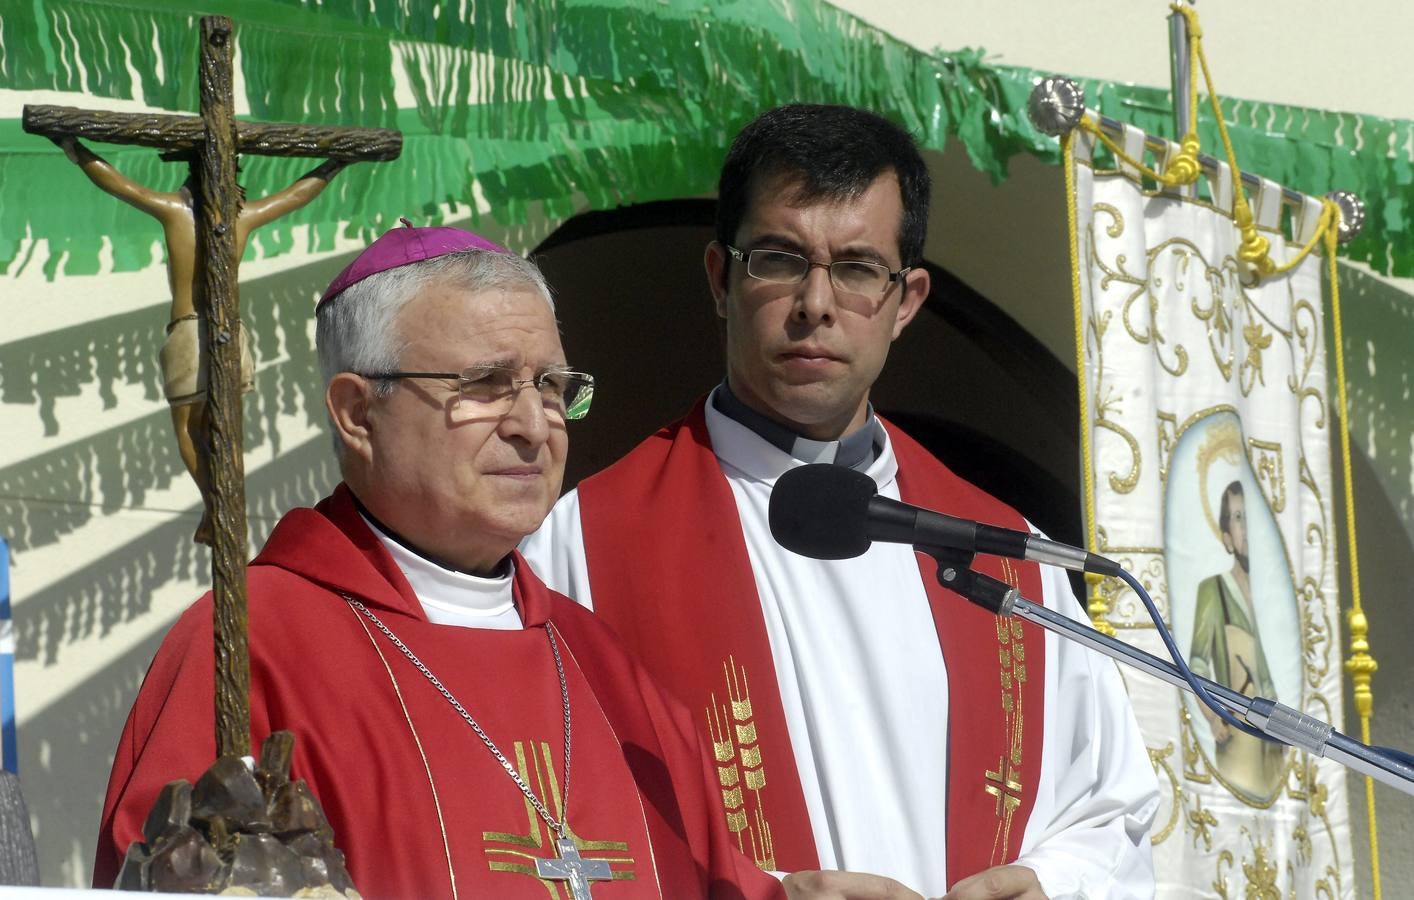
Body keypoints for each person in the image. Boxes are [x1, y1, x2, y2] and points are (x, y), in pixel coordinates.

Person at [523, 104, 1161, 900]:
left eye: (858, 268)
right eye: (781, 260)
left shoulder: (1004, 553)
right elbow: (539, 821)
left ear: (907, 301)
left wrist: (1050, 883)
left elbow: (1113, 811)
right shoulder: (577, 547)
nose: (815, 303)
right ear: (722, 279)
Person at [94, 223, 794, 899]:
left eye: (551, 386)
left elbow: (709, 875)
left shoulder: (600, 662)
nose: (532, 425)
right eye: (487, 384)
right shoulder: (250, 648)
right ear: (358, 414)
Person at [55, 137, 348, 545]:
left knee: (189, 431)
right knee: (225, 430)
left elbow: (118, 184)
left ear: (192, 174)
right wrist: (336, 162)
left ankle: (217, 510)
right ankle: (223, 508)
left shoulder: (176, 211)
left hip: (191, 330)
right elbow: (297, 195)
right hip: (231, 331)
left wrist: (72, 147)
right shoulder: (240, 215)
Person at [1189, 481, 1282, 796]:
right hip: (1237, 741)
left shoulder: (1268, 599)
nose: (1247, 528)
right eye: (1238, 517)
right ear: (1227, 536)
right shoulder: (1213, 590)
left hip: (1271, 746)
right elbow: (1198, 664)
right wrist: (1214, 715)